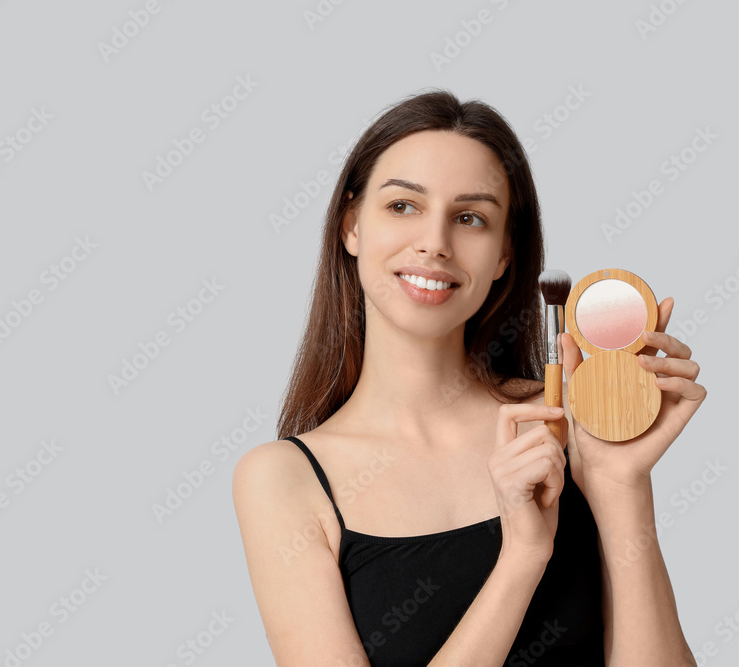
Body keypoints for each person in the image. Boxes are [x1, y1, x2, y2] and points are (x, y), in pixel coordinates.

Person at [232, 89, 706, 666]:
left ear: (505, 254)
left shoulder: (570, 426)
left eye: (470, 218)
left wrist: (621, 484)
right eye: (403, 206)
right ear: (351, 226)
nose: (435, 242)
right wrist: (522, 559)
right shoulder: (283, 481)